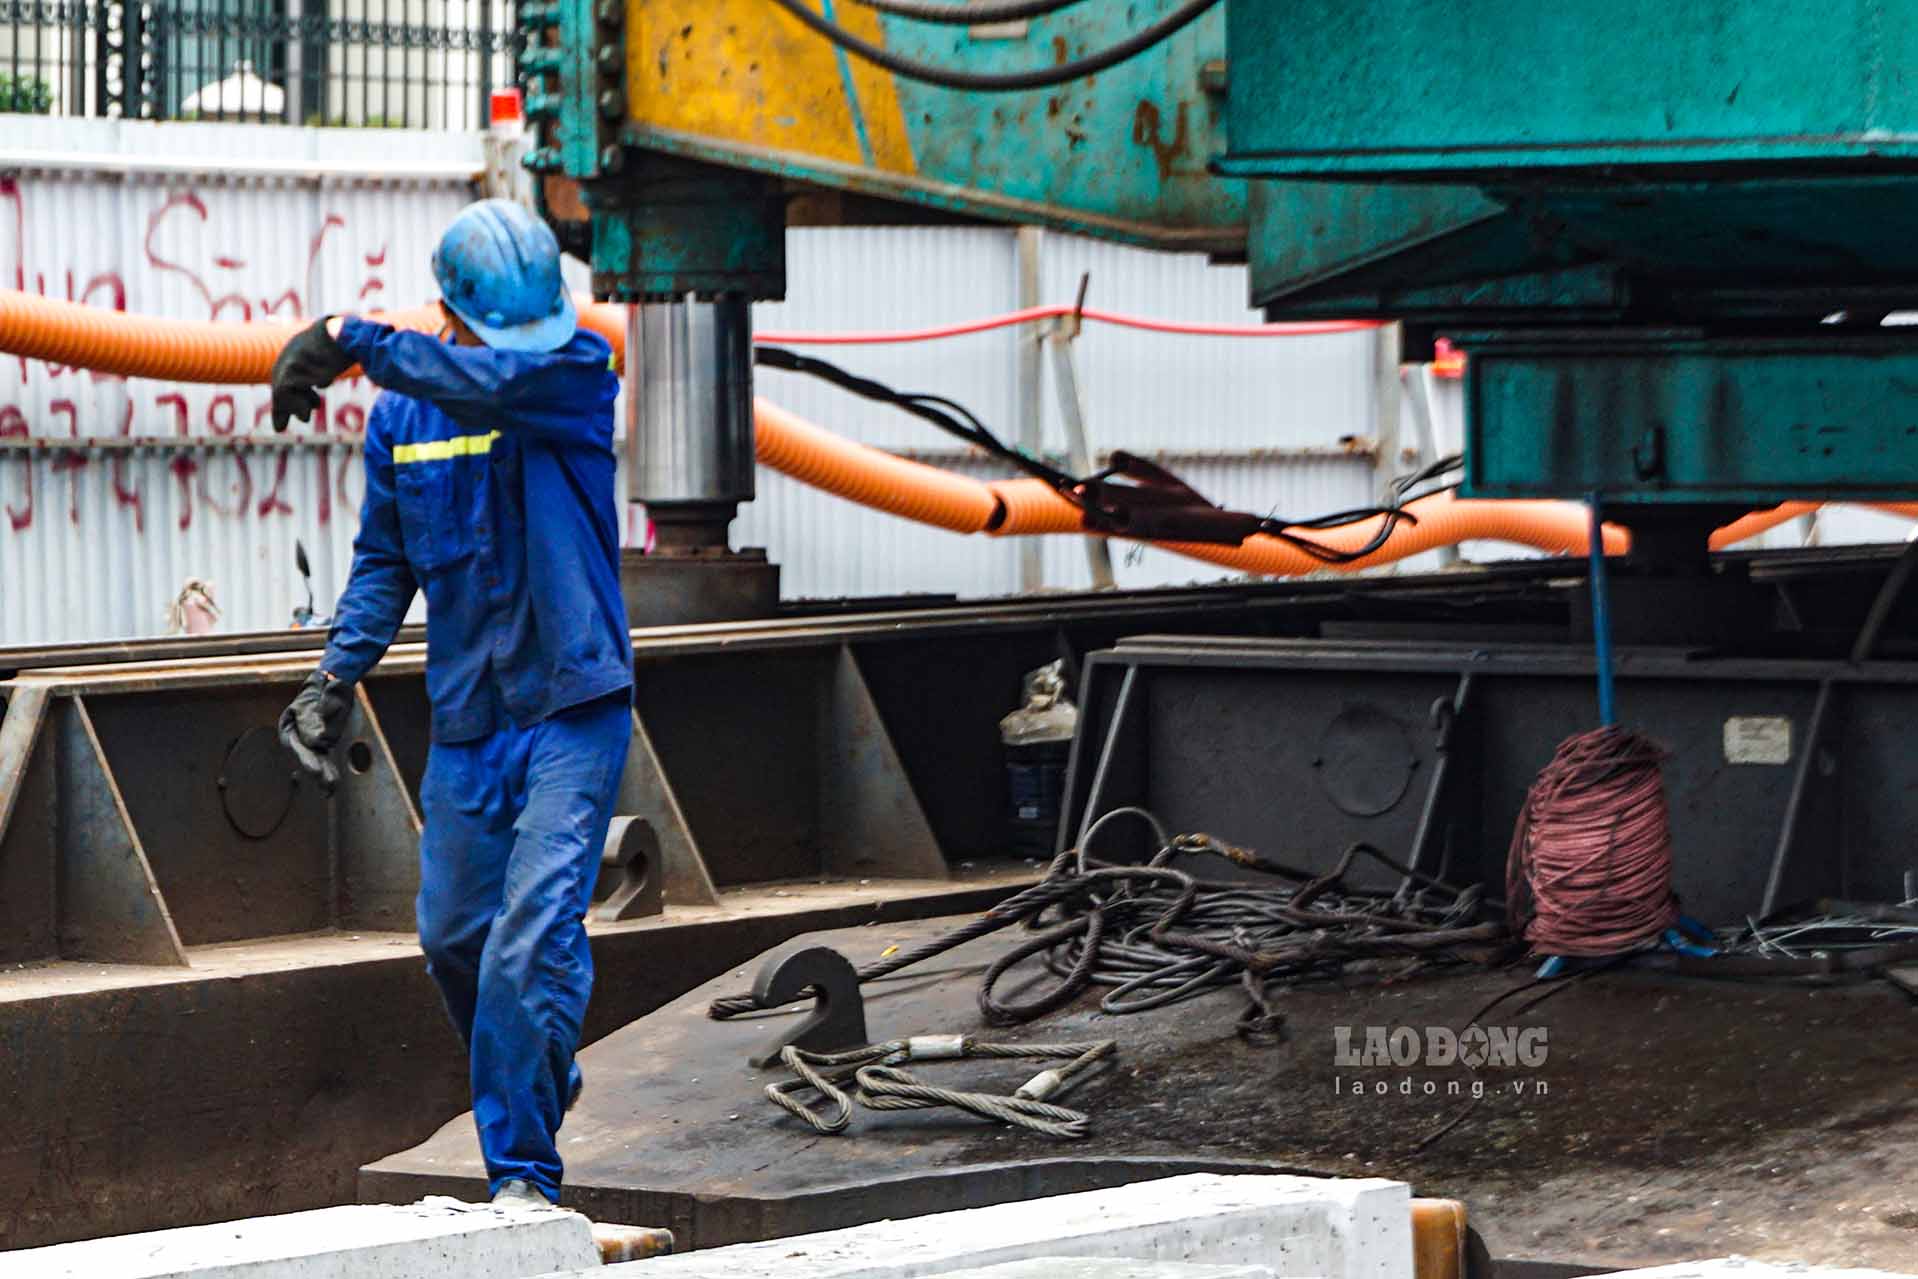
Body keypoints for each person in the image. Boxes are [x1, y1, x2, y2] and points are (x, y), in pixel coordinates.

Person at [271, 198, 632, 1208]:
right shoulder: (404, 418)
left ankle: (524, 1180)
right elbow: (386, 560)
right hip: (471, 722)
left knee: (527, 947)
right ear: (453, 313)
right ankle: (542, 1070)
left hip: (572, 709)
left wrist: (348, 337)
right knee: (456, 943)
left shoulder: (572, 375)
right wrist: (335, 678)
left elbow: (487, 381)